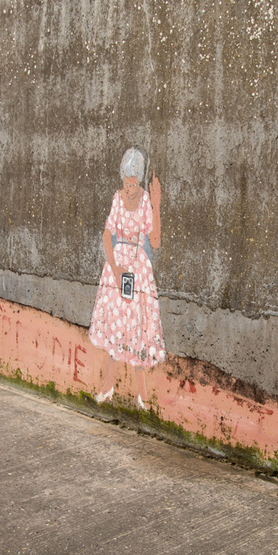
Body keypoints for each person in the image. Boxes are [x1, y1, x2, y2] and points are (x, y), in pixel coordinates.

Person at [88, 146, 165, 409]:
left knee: (138, 335)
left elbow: (154, 241)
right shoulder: (117, 199)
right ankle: (108, 387)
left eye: (134, 183)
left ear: (140, 180)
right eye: (126, 182)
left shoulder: (145, 201)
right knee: (117, 336)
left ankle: (144, 398)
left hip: (139, 273)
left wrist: (156, 206)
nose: (130, 188)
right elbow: (107, 235)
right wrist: (115, 268)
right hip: (117, 270)